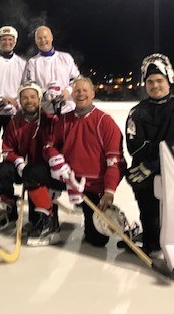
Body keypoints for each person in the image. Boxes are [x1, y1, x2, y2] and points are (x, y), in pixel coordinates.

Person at [124, 54, 174, 255]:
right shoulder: (136, 113)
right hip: (143, 175)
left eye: (159, 80)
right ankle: (150, 236)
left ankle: (169, 240)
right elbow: (135, 147)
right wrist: (166, 150)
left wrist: (155, 163)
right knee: (150, 219)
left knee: (173, 219)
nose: (155, 85)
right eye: (150, 81)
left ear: (169, 81)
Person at [44, 76, 125, 247]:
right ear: (72, 95)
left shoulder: (105, 122)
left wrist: (109, 191)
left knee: (97, 240)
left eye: (85, 90)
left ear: (93, 93)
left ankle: (87, 210)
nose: (81, 94)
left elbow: (115, 160)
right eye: (77, 91)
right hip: (68, 179)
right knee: (35, 173)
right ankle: (48, 220)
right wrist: (57, 162)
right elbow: (49, 145)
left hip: (91, 186)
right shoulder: (63, 120)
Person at [0, 82, 62, 246]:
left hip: (42, 171)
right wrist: (18, 163)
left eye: (32, 97)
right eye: (25, 98)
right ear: (20, 101)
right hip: (23, 169)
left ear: (39, 99)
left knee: (35, 218)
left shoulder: (50, 121)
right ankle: (10, 209)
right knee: (2, 170)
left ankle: (49, 221)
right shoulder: (15, 122)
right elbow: (7, 149)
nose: (29, 101)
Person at [22, 25, 80, 115]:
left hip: (68, 109)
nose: (43, 40)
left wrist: (68, 91)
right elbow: (30, 86)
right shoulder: (32, 62)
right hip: (45, 111)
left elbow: (76, 79)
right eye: (39, 38)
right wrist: (45, 94)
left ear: (51, 37)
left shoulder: (66, 57)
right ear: (36, 41)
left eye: (45, 37)